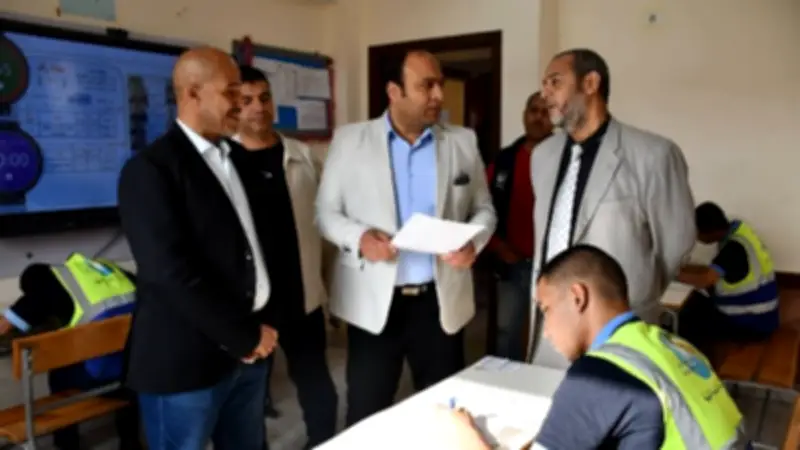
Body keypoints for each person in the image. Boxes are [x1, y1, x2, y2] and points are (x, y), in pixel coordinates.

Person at [315, 49, 496, 427]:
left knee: (446, 413)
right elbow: (325, 214)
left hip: (440, 304)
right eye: (426, 86)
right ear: (394, 91)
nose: (438, 96)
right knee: (367, 413)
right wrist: (360, 238)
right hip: (374, 305)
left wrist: (473, 244)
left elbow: (484, 209)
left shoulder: (462, 141)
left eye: (439, 85)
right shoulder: (350, 141)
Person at [117, 47, 279, 450]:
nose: (241, 104)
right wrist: (243, 337)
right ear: (192, 93)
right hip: (186, 363)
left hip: (249, 352)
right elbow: (169, 273)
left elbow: (249, 248)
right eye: (231, 92)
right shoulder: (151, 170)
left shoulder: (234, 158)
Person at [434, 245, 748, 449]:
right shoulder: (671, 343)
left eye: (546, 310)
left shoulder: (598, 375)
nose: (546, 332)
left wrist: (468, 436)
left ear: (577, 297)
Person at [528, 48, 696, 369]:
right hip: (550, 332)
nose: (544, 93)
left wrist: (636, 295)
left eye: (555, 82)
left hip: (619, 333)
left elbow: (676, 246)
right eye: (544, 84)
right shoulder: (542, 157)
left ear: (590, 83)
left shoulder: (653, 155)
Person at [231, 65, 338, 449]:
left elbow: (326, 228)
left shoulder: (303, 156)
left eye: (264, 98)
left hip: (300, 296)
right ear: (233, 107)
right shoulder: (222, 161)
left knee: (316, 383)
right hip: (250, 304)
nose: (258, 108)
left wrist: (331, 290)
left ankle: (324, 443)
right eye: (246, 101)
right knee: (246, 396)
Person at [0, 253, 140, 450]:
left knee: (59, 373)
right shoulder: (106, 270)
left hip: (97, 374)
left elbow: (6, 325)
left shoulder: (45, 282)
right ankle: (130, 441)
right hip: (134, 367)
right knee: (127, 366)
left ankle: (67, 443)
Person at [486, 91, 552, 360]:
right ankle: (505, 380)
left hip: (553, 264)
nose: (539, 117)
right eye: (534, 110)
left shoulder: (566, 158)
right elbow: (483, 207)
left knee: (552, 333)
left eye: (546, 112)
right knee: (506, 330)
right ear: (525, 115)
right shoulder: (505, 160)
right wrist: (498, 246)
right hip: (512, 262)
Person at [677, 202, 779, 356]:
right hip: (764, 317)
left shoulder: (733, 249)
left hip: (751, 324)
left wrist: (672, 275)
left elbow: (705, 280)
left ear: (708, 231)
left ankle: (697, 363)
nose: (696, 237)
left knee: (687, 320)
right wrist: (682, 271)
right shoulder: (740, 233)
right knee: (695, 303)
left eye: (696, 232)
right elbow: (711, 272)